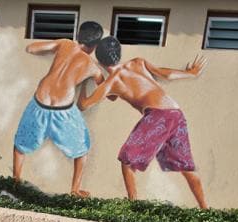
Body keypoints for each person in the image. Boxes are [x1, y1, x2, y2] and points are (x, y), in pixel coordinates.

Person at [78, 37, 208, 209]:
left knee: (127, 161)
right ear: (119, 53)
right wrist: (190, 73)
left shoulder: (112, 82)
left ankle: (134, 207)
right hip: (176, 113)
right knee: (185, 166)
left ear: (100, 60)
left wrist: (83, 84)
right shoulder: (137, 63)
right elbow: (166, 74)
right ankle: (205, 208)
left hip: (158, 116)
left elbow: (84, 105)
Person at [13, 21, 104, 197]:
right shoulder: (92, 66)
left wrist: (54, 48)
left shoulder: (65, 43)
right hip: (63, 111)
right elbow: (105, 89)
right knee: (83, 148)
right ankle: (75, 189)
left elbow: (31, 48)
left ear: (79, 35)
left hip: (40, 102)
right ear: (95, 46)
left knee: (20, 146)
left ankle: (15, 181)